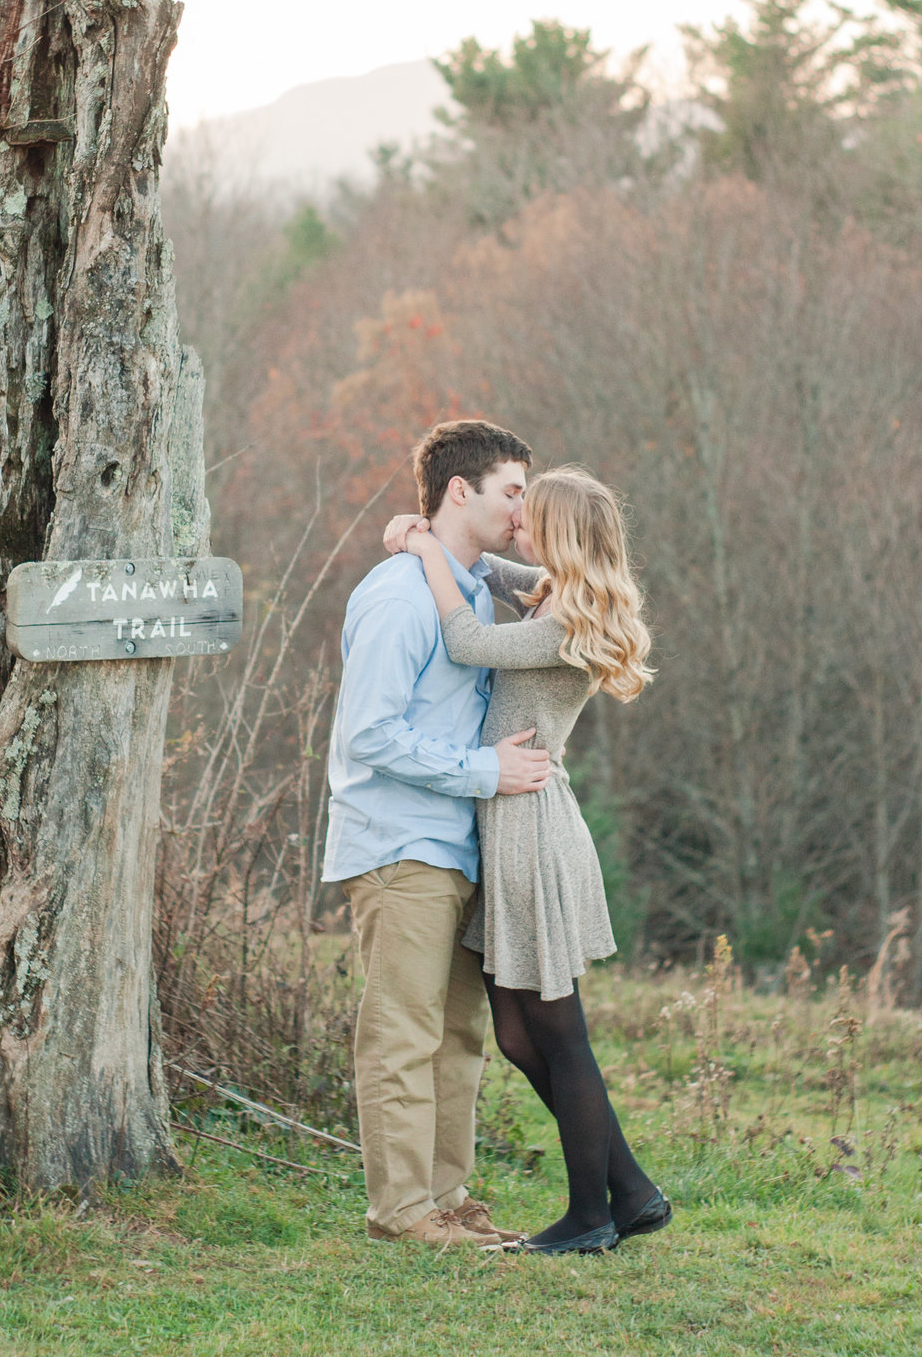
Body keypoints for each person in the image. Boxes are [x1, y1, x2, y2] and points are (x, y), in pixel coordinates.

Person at [382, 464, 672, 1254]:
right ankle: (633, 1190)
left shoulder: (567, 623)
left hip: (528, 829)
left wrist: (427, 558)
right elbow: (498, 572)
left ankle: (591, 1216)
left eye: (531, 515)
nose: (519, 523)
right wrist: (431, 542)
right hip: (508, 819)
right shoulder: (557, 594)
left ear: (564, 535)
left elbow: (469, 639)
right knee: (517, 1034)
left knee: (558, 1031)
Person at [322, 419, 553, 1249]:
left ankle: (446, 1202)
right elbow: (369, 734)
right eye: (513, 493)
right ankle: (402, 1211)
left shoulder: (468, 586)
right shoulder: (397, 596)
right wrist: (485, 772)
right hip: (400, 847)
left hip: (458, 848)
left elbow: (561, 573)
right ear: (462, 491)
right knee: (401, 1036)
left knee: (458, 1036)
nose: (523, 511)